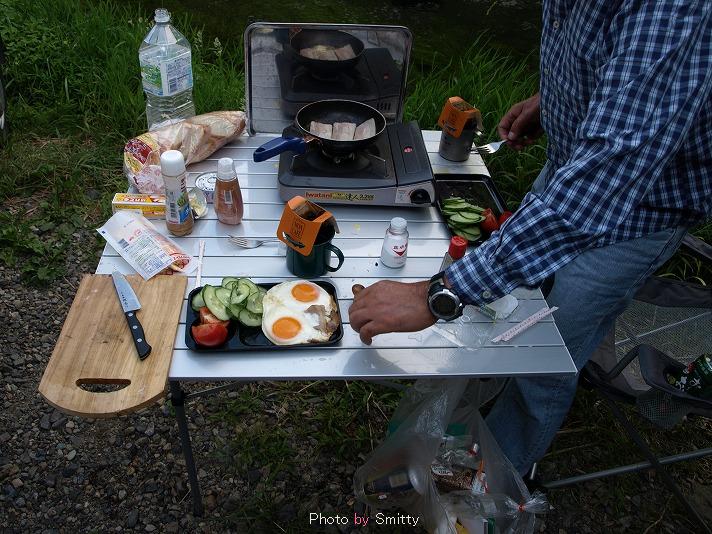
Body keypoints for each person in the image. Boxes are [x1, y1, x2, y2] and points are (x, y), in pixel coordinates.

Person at [349, 0, 712, 476]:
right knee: (518, 309)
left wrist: (439, 292)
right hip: (571, 168)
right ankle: (480, 406)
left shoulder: (672, 9)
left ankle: (488, 484)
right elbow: (614, 67)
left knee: (550, 354)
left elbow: (604, 180)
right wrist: (559, 100)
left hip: (638, 210)